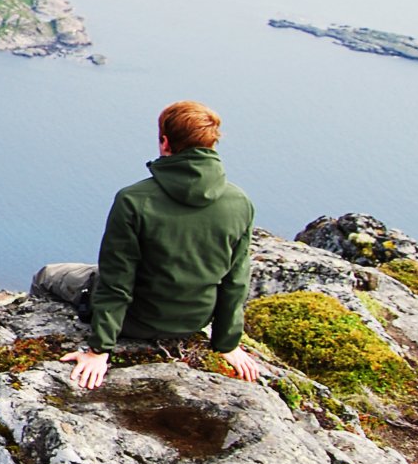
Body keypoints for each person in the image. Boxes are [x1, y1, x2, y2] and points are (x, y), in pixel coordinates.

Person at [46, 100, 261, 390]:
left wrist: (99, 350)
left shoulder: (134, 200)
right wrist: (227, 344)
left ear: (165, 141)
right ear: (211, 144)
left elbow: (116, 281)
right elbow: (236, 280)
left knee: (48, 275)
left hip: (136, 320)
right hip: (193, 322)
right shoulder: (239, 202)